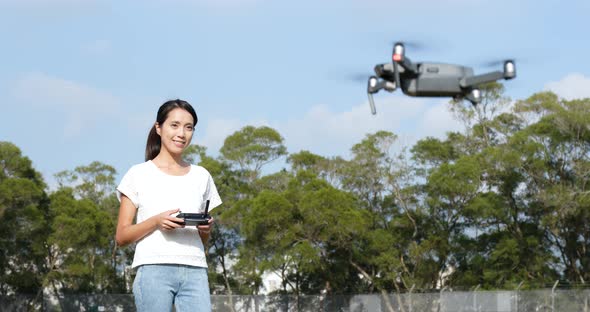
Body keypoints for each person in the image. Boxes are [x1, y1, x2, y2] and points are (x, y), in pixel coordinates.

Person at [115, 99, 221, 312]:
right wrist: (156, 221)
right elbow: (122, 237)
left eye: (188, 127)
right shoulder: (138, 174)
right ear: (158, 128)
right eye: (174, 125)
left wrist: (205, 230)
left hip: (195, 270)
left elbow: (203, 240)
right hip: (154, 270)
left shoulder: (202, 176)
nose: (181, 133)